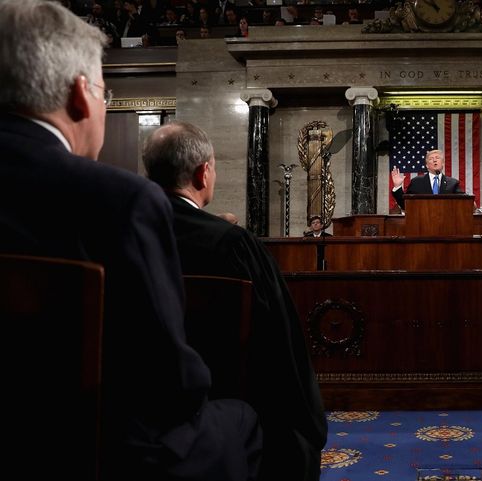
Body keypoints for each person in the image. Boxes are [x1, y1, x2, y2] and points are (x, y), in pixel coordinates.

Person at [0, 2, 261, 480]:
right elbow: (170, 383)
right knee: (243, 420)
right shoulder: (119, 201)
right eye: (106, 90)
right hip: (85, 448)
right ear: (81, 94)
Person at [142, 121, 328, 481]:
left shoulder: (118, 234)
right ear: (203, 172)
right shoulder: (233, 245)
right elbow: (280, 346)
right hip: (226, 412)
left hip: (127, 413)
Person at [390, 149, 464, 210]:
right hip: (422, 223)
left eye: (437, 158)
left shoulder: (453, 183)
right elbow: (405, 205)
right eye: (431, 159)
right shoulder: (417, 182)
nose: (434, 160)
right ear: (427, 165)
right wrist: (397, 187)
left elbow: (464, 202)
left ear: (443, 164)